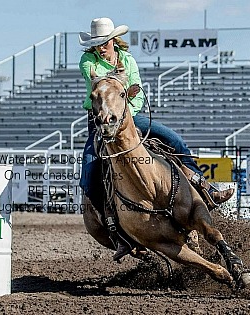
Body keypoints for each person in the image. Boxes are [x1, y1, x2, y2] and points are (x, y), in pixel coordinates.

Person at [78, 17, 234, 260]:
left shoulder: (127, 60)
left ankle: (204, 188)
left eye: (104, 42)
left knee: (174, 140)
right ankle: (115, 228)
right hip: (100, 118)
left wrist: (126, 112)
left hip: (128, 114)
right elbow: (97, 85)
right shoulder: (87, 61)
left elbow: (136, 91)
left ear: (112, 40)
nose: (101, 46)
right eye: (97, 43)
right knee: (88, 174)